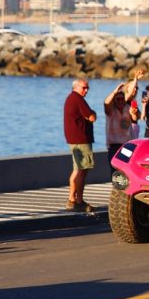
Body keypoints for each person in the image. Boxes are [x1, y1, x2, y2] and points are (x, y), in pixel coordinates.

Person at [64, 78, 97, 213]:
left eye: (88, 87)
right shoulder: (77, 99)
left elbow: (88, 116)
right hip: (81, 139)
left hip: (74, 139)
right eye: (84, 87)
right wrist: (92, 114)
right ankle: (79, 201)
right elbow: (92, 117)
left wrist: (89, 115)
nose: (86, 90)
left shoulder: (71, 98)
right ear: (76, 87)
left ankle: (71, 199)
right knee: (82, 170)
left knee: (77, 169)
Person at [104, 70, 144, 169]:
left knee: (126, 170)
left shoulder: (127, 107)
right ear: (114, 101)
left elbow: (136, 118)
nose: (121, 101)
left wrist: (135, 79)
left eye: (122, 99)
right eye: (118, 99)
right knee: (115, 171)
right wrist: (114, 92)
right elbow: (106, 103)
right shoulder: (111, 111)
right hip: (114, 146)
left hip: (126, 145)